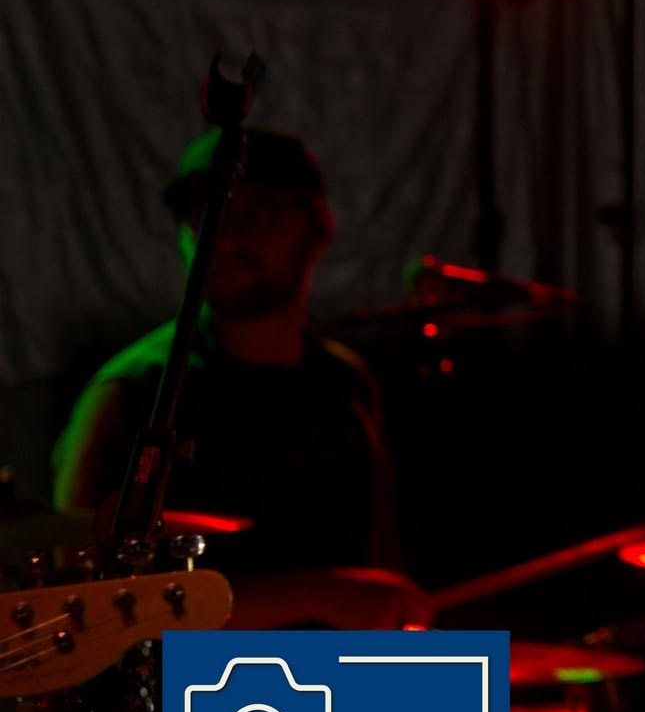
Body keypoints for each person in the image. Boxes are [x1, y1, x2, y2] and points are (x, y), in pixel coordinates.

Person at [52, 126, 401, 578]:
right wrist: (325, 598)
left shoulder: (348, 385)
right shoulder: (132, 395)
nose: (228, 238)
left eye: (260, 213)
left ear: (320, 229)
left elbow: (381, 569)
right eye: (206, 215)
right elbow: (80, 596)